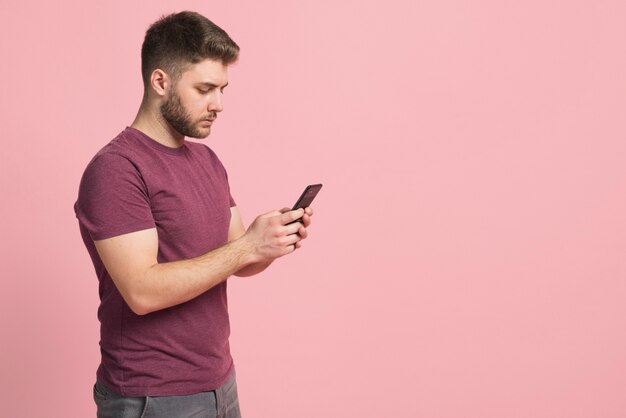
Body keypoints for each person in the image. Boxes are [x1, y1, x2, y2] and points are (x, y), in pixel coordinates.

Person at [74, 11, 313, 418]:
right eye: (204, 89)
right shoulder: (116, 169)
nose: (218, 104)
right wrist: (247, 247)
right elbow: (142, 291)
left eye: (222, 89)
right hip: (152, 396)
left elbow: (240, 257)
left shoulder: (207, 160)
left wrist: (270, 242)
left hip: (220, 382)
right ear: (161, 82)